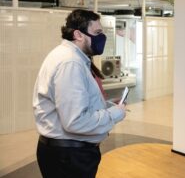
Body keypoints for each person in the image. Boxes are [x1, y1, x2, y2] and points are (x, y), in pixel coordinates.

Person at [33, 9, 126, 178]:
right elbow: (75, 121)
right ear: (78, 34)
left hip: (67, 154)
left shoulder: (70, 57)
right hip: (68, 157)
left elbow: (77, 102)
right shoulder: (70, 63)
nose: (102, 37)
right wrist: (115, 114)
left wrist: (107, 105)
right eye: (97, 33)